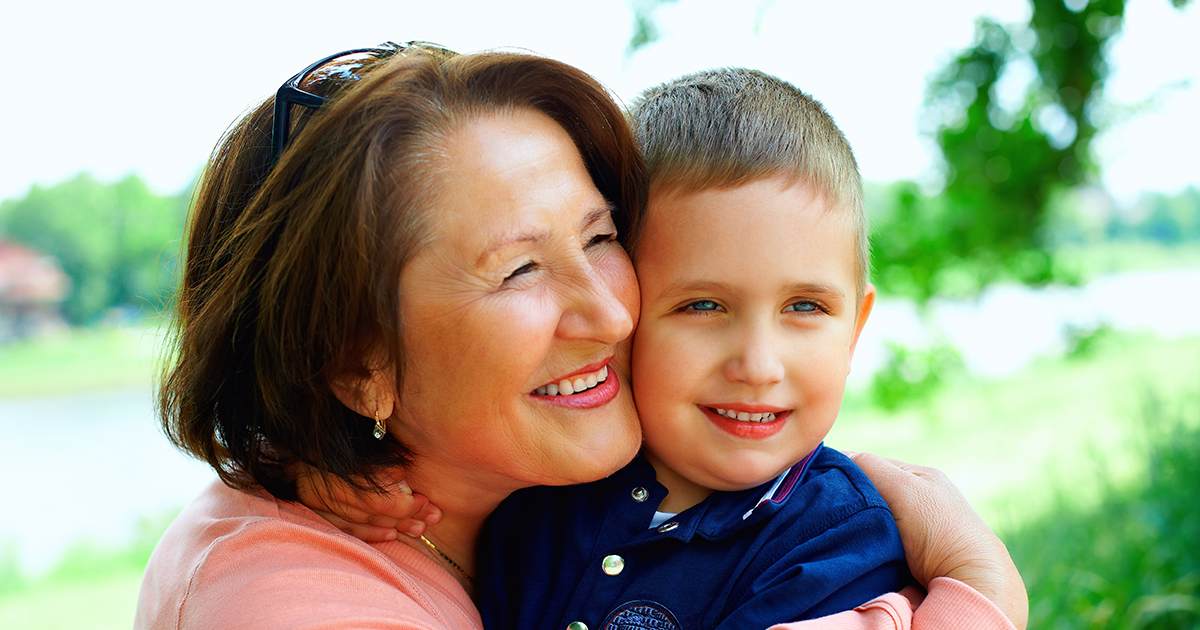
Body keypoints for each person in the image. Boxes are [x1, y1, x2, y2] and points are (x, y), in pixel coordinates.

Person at [135, 40, 1026, 630]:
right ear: (356, 363)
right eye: (520, 268)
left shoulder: (529, 499)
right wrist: (979, 595)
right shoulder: (282, 596)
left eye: (601, 239)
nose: (614, 314)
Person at [474, 67, 910, 630]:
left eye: (805, 307)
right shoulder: (545, 481)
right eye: (703, 306)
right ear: (623, 313)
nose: (758, 366)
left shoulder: (837, 543)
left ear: (854, 331)